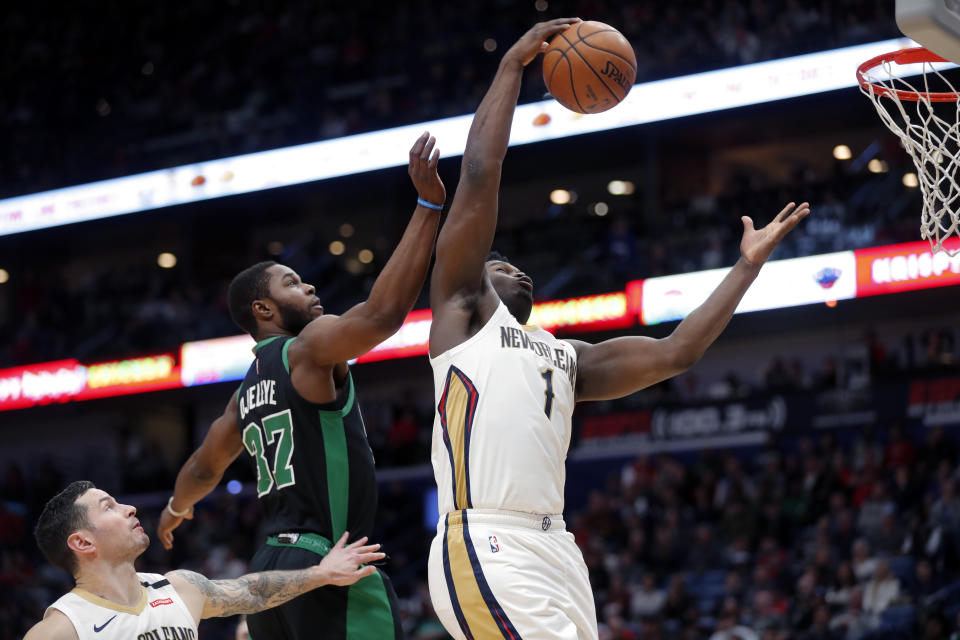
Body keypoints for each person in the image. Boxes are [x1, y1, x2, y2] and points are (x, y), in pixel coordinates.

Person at [425, 19, 811, 640]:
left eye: (515, 263)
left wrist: (746, 268)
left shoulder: (566, 355)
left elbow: (677, 353)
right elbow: (479, 176)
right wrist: (511, 69)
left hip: (558, 548)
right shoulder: (464, 319)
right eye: (498, 263)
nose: (513, 266)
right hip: (486, 538)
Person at [156, 132, 446, 639]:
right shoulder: (309, 348)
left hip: (270, 572)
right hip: (329, 559)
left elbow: (204, 468)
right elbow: (382, 314)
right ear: (263, 310)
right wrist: (427, 205)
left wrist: (175, 510)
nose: (309, 285)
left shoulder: (244, 394)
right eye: (291, 282)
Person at [25, 481, 384, 639]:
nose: (129, 508)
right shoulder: (62, 628)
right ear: (82, 541)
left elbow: (253, 592)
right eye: (109, 507)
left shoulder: (179, 587)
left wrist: (322, 573)